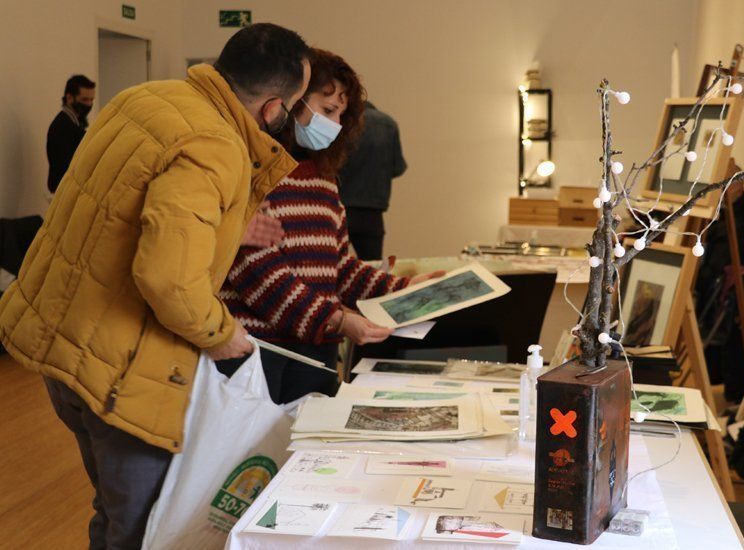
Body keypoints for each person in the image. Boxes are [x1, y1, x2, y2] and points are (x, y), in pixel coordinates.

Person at [0, 23, 311, 548]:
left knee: (113, 509)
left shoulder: (146, 98)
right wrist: (222, 333)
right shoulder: (216, 143)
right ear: (272, 109)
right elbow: (169, 279)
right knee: (145, 526)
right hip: (122, 367)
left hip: (65, 343)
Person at [219, 49, 441, 403]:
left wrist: (404, 289)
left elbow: (338, 267)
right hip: (258, 355)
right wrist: (337, 320)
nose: (334, 124)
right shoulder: (251, 171)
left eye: (340, 114)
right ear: (291, 103)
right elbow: (259, 275)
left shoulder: (323, 178)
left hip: (315, 351)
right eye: (327, 111)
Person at [337, 101, 407, 260]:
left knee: (335, 267)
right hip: (372, 214)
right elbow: (398, 168)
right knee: (373, 268)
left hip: (339, 208)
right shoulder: (388, 124)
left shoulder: (341, 121)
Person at [46, 74, 96, 194]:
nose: (89, 104)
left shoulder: (75, 123)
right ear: (69, 98)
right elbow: (66, 168)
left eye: (91, 100)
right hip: (65, 191)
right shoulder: (63, 127)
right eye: (84, 100)